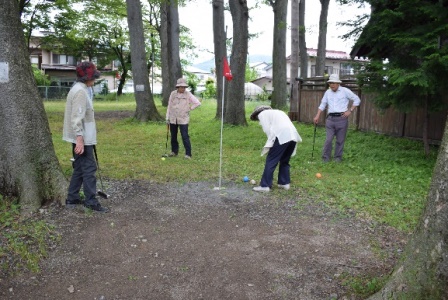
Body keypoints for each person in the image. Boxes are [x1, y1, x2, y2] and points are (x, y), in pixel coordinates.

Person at [63, 61, 109, 213]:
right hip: (82, 137)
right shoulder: (81, 92)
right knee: (89, 168)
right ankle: (91, 201)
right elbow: (76, 117)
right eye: (93, 77)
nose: (94, 80)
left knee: (80, 168)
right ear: (86, 78)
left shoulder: (77, 88)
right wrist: (80, 139)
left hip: (81, 136)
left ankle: (72, 197)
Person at [250, 106, 302, 192]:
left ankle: (265, 185)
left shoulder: (262, 114)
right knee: (284, 160)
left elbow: (267, 130)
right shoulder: (279, 112)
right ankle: (284, 183)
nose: (258, 120)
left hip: (281, 135)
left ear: (257, 114)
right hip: (293, 135)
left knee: (271, 159)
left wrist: (270, 144)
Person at [313, 74, 361, 162]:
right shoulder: (327, 92)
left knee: (340, 140)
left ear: (338, 83)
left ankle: (337, 158)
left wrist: (350, 110)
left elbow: (357, 99)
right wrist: (317, 115)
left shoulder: (345, 91)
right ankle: (325, 158)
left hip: (342, 119)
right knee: (328, 140)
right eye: (330, 83)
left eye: (334, 83)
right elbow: (323, 104)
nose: (332, 85)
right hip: (330, 119)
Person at [166, 78, 201, 159]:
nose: (183, 89)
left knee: (185, 136)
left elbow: (197, 103)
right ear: (178, 87)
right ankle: (174, 152)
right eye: (181, 87)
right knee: (173, 136)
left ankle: (188, 154)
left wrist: (190, 108)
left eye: (184, 87)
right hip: (173, 118)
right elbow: (169, 106)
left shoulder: (188, 94)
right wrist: (167, 117)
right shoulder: (173, 94)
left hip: (183, 119)